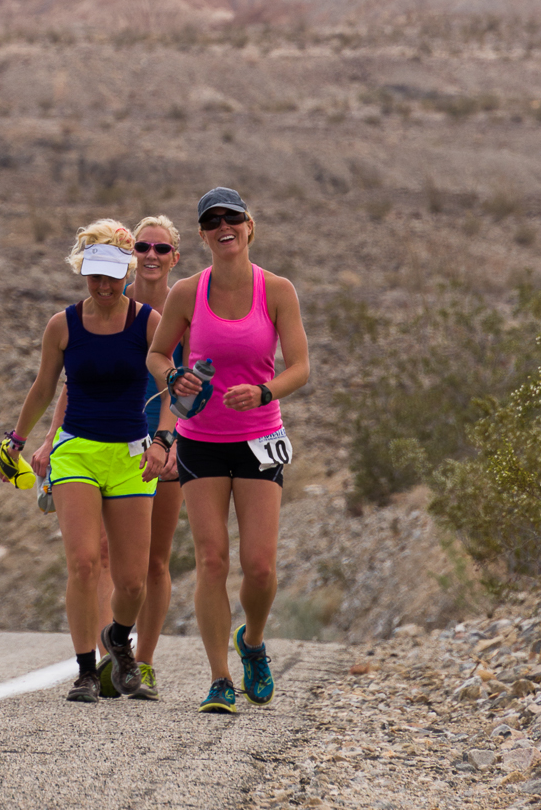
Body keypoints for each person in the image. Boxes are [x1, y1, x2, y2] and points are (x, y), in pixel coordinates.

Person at [146, 186, 310, 715]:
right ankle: (219, 679)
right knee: (212, 559)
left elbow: (300, 367)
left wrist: (264, 391)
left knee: (259, 567)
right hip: (202, 442)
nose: (224, 226)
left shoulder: (278, 290)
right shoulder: (187, 293)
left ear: (249, 225)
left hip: (261, 437)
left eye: (232, 218)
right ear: (201, 234)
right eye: (212, 220)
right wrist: (174, 376)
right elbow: (155, 354)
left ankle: (253, 642)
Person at [0, 218, 174, 703]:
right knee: (83, 561)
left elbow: (165, 389)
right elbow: (44, 387)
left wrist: (163, 440)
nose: (103, 285)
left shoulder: (148, 324)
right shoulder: (63, 325)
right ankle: (84, 672)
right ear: (83, 272)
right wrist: (18, 437)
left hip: (131, 456)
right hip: (76, 450)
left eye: (112, 275)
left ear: (127, 272)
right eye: (94, 275)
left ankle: (118, 637)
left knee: (133, 582)